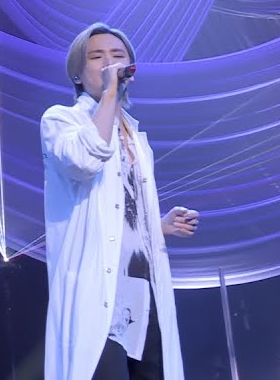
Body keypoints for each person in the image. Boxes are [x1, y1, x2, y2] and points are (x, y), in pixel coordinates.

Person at [41, 22, 201, 380]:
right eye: (96, 57)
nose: (109, 63)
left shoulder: (134, 133)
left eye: (117, 56)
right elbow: (84, 162)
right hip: (97, 282)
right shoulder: (61, 120)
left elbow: (120, 209)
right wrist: (110, 94)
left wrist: (158, 226)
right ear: (78, 74)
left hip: (142, 282)